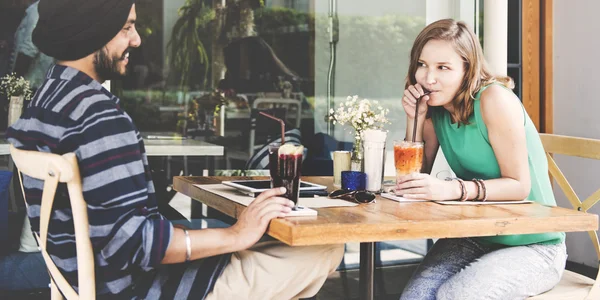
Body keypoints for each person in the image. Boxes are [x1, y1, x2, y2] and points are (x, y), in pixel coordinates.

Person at [6, 0, 344, 299]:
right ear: (92, 34)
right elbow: (136, 244)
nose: (136, 40)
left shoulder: (44, 102)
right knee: (323, 247)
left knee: (274, 247)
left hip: (83, 283)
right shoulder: (98, 116)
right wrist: (236, 234)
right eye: (126, 28)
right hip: (144, 289)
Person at [396, 19, 566, 300]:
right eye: (422, 64)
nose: (428, 78)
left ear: (467, 69)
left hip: (535, 244)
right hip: (476, 234)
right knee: (415, 297)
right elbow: (409, 181)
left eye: (443, 67)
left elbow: (519, 186)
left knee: (455, 296)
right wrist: (415, 119)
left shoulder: (494, 99)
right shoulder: (434, 109)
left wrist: (454, 189)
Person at [8, 0, 55, 91]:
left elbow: (29, 48)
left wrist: (15, 84)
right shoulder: (40, 8)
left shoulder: (37, 11)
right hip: (34, 80)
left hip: (30, 81)